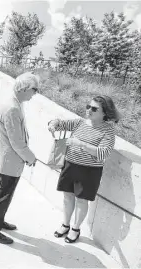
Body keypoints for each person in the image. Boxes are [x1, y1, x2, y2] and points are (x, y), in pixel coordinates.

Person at [48, 95, 119, 243]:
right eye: (88, 106)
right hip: (69, 165)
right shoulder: (80, 122)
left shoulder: (108, 131)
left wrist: (80, 144)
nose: (89, 110)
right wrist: (53, 124)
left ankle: (75, 228)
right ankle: (65, 224)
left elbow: (103, 153)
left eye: (94, 109)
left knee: (81, 201)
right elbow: (60, 123)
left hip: (89, 171)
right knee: (67, 197)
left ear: (104, 113)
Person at [0, 72, 39, 244]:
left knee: (5, 194)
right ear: (24, 88)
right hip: (11, 160)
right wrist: (31, 158)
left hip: (11, 159)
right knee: (2, 194)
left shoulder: (14, 104)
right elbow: (16, 142)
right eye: (34, 90)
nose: (35, 94)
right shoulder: (12, 108)